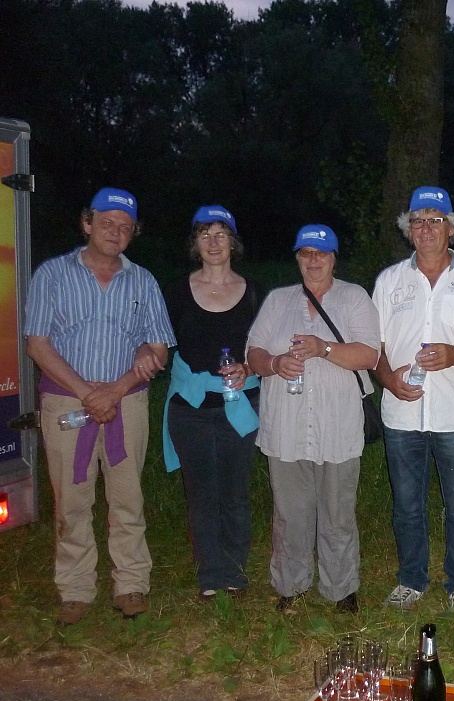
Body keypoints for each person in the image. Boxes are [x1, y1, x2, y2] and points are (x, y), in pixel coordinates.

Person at [25, 187, 175, 625]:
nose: (115, 232)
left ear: (133, 234)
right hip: (66, 402)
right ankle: (75, 588)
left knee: (127, 498)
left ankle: (130, 584)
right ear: (87, 223)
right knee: (71, 499)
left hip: (126, 403)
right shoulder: (52, 275)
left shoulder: (143, 281)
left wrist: (116, 388)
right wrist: (88, 392)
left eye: (125, 227)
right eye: (107, 223)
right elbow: (37, 345)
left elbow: (159, 348)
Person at [371, 186, 454, 616]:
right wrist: (387, 379)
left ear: (451, 229)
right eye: (418, 221)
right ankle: (411, 580)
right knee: (407, 505)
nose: (426, 229)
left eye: (435, 220)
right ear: (408, 230)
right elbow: (374, 347)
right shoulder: (389, 281)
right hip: (401, 412)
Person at [246, 224, 379, 614]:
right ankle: (292, 585)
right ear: (297, 258)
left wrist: (324, 348)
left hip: (338, 426)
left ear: (334, 258)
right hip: (286, 427)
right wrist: (275, 363)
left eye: (321, 253)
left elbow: (369, 355)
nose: (313, 260)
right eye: (306, 253)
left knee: (338, 513)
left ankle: (341, 588)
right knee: (290, 513)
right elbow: (253, 353)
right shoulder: (278, 300)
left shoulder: (354, 297)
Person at [162, 206, 261, 600]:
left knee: (235, 492)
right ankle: (210, 575)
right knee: (201, 494)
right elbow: (156, 342)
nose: (214, 242)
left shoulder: (255, 292)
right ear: (195, 243)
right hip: (191, 407)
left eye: (221, 233)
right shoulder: (175, 291)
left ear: (233, 242)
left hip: (240, 404)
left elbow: (265, 348)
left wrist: (248, 367)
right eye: (205, 234)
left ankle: (235, 571)